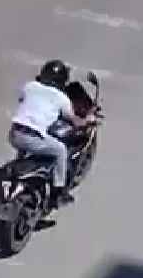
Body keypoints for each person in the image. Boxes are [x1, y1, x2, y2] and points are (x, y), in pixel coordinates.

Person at [7, 59, 98, 209]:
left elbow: (23, 99)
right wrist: (88, 120)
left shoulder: (30, 86)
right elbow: (75, 121)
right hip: (32, 138)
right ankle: (58, 192)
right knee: (60, 150)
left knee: (27, 145)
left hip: (14, 134)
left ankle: (18, 167)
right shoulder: (61, 98)